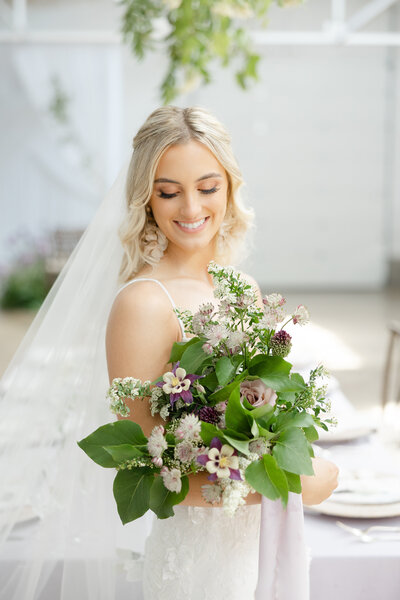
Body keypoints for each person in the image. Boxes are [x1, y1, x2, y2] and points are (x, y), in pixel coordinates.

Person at [105, 105, 339, 599]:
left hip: (256, 549)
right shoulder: (143, 303)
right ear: (147, 199)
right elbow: (144, 471)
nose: (191, 209)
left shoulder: (241, 288)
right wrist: (290, 484)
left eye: (207, 187)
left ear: (230, 187)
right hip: (196, 569)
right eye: (170, 192)